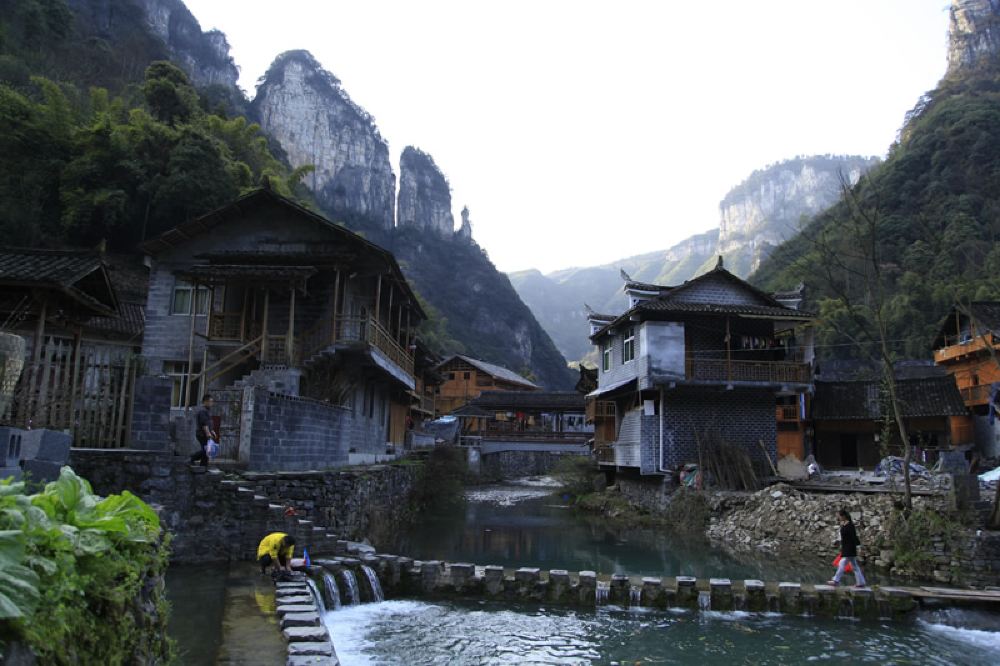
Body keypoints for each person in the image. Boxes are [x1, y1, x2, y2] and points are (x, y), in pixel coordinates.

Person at [828, 508, 867, 588]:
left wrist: (858, 547)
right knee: (855, 566)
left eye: (839, 516)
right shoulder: (845, 525)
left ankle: (836, 580)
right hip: (847, 548)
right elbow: (842, 537)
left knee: (842, 563)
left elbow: (853, 537)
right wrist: (838, 542)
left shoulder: (850, 526)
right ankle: (861, 582)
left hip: (849, 548)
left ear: (843, 516)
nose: (838, 517)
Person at [189, 394, 217, 467]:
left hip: (206, 433)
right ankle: (192, 458)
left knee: (207, 451)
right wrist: (208, 434)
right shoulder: (202, 411)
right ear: (205, 402)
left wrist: (212, 431)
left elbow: (209, 423)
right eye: (210, 401)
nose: (211, 403)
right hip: (202, 434)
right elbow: (204, 424)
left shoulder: (207, 411)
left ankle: (203, 466)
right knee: (206, 450)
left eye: (212, 402)